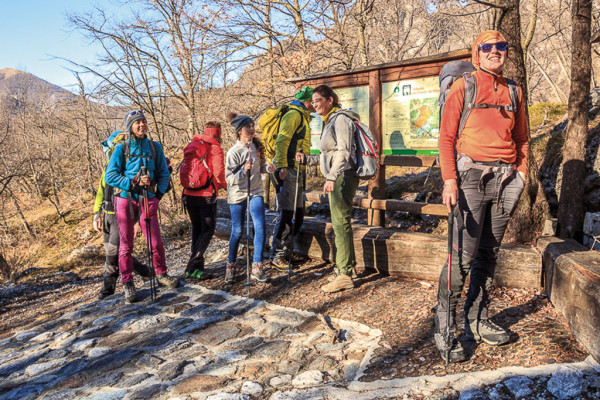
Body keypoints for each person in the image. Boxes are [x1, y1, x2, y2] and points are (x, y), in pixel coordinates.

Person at [434, 30, 529, 363]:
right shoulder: (464, 86)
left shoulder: (514, 90)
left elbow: (522, 138)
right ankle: (444, 326)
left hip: (505, 180)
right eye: (486, 47)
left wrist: (522, 172)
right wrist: (449, 181)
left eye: (500, 46)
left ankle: (477, 319)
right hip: (469, 179)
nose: (494, 51)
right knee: (462, 258)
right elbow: (446, 139)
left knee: (489, 253)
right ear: (476, 53)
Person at [105, 110, 179, 303]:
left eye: (143, 122)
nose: (141, 125)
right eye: (136, 123)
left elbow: (164, 172)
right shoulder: (122, 149)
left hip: (148, 199)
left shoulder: (154, 147)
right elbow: (110, 176)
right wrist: (134, 181)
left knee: (155, 242)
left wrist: (158, 195)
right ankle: (128, 283)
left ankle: (161, 274)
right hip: (125, 200)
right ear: (130, 126)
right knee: (126, 245)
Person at [312, 85, 361, 293]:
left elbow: (344, 149)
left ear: (330, 100)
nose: (315, 105)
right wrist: (307, 159)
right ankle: (346, 267)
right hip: (338, 176)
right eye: (313, 102)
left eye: (318, 101)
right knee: (340, 223)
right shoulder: (329, 120)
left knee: (340, 224)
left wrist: (332, 176)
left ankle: (345, 274)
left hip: (342, 177)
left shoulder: (340, 119)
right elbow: (328, 154)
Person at [93, 131, 151, 300]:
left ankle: (106, 292)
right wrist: (96, 214)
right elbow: (100, 192)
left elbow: (139, 195)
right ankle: (146, 272)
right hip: (107, 216)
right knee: (115, 254)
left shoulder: (128, 168)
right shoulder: (108, 169)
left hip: (122, 215)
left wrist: (138, 220)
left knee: (114, 255)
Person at [270, 86, 314, 271]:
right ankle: (277, 255)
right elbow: (282, 140)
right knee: (287, 213)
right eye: (313, 100)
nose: (315, 103)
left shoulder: (301, 114)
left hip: (295, 169)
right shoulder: (294, 115)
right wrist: (281, 167)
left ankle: (286, 251)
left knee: (298, 213)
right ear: (308, 101)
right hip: (287, 170)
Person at [225, 113, 271, 283]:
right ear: (239, 131)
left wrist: (270, 167)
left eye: (252, 126)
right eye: (247, 127)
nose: (251, 129)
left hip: (255, 191)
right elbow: (229, 179)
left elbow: (263, 167)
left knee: (260, 226)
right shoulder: (233, 152)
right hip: (238, 194)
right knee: (237, 230)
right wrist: (243, 171)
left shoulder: (256, 147)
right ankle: (231, 265)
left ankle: (257, 266)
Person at [182, 122, 227, 279]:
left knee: (197, 230)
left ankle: (197, 270)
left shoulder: (193, 145)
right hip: (206, 196)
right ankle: (192, 265)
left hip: (189, 193)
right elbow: (219, 172)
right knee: (208, 230)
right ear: (217, 134)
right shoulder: (215, 148)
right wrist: (225, 186)